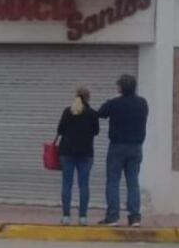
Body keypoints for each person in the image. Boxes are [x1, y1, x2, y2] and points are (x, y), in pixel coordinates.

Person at [97, 73, 149, 227]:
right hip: (136, 147)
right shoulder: (142, 103)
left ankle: (113, 217)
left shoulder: (115, 103)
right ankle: (134, 217)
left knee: (113, 181)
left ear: (121, 88)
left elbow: (100, 113)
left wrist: (114, 99)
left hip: (117, 146)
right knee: (133, 182)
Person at [56, 87, 100, 226]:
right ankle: (83, 217)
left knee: (67, 184)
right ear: (88, 98)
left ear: (76, 96)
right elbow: (96, 132)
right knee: (84, 185)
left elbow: (60, 130)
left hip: (67, 152)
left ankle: (66, 217)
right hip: (86, 153)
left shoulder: (67, 111)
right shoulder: (92, 114)